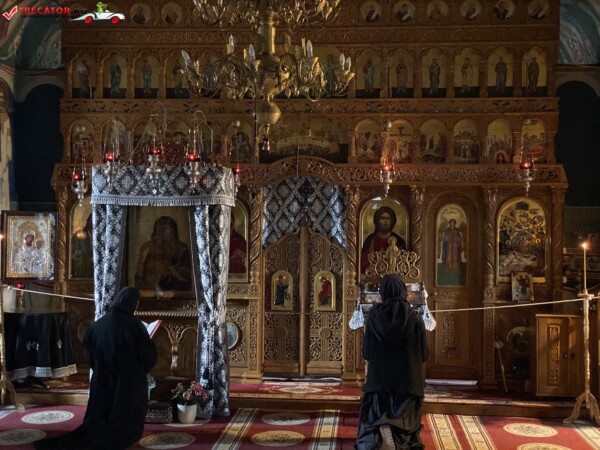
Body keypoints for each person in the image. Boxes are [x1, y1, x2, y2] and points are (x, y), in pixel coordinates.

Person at [34, 287, 157, 450]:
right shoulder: (135, 325)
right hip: (127, 383)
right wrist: (138, 371)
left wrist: (101, 370)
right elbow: (148, 355)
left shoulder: (98, 324)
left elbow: (89, 355)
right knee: (125, 417)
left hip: (102, 380)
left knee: (99, 417)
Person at [356, 274, 428, 449]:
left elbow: (366, 353)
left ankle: (382, 430)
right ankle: (399, 438)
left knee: (376, 406)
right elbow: (424, 353)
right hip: (408, 385)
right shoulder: (415, 318)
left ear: (383, 292)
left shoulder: (374, 316)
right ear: (403, 291)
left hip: (379, 384)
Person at [135, 216, 192, 291]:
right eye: (156, 231)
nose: (158, 234)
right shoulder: (155, 249)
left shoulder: (183, 251)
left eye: (163, 230)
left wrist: (169, 270)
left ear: (172, 232)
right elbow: (143, 275)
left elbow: (186, 281)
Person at [361, 206, 407, 274]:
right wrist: (376, 257)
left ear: (392, 221)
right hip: (373, 275)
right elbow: (363, 262)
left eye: (388, 218)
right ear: (377, 221)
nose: (385, 221)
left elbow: (404, 262)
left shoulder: (399, 241)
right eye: (382, 218)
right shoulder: (370, 240)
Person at [71, 213, 93, 278]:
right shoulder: (79, 236)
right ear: (88, 222)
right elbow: (73, 255)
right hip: (83, 273)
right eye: (92, 220)